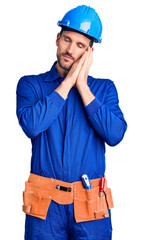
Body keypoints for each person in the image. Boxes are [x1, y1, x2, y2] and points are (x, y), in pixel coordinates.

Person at [16, 5, 127, 240]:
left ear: (89, 52)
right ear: (57, 39)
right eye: (67, 39)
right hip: (45, 208)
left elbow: (115, 135)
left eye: (80, 46)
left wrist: (83, 86)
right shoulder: (31, 85)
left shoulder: (104, 89)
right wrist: (68, 83)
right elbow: (32, 125)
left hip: (90, 206)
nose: (70, 49)